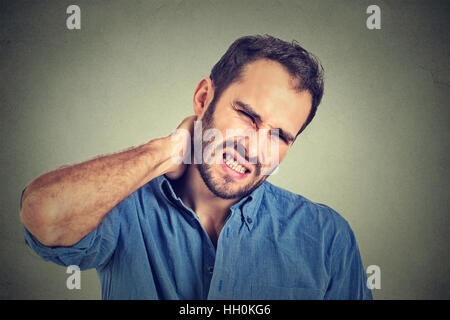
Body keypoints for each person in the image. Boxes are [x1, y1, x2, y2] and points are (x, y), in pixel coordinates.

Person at [20, 35, 372, 300]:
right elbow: (44, 214)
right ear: (204, 99)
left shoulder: (327, 236)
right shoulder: (124, 206)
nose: (253, 148)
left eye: (279, 135)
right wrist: (166, 150)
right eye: (247, 116)